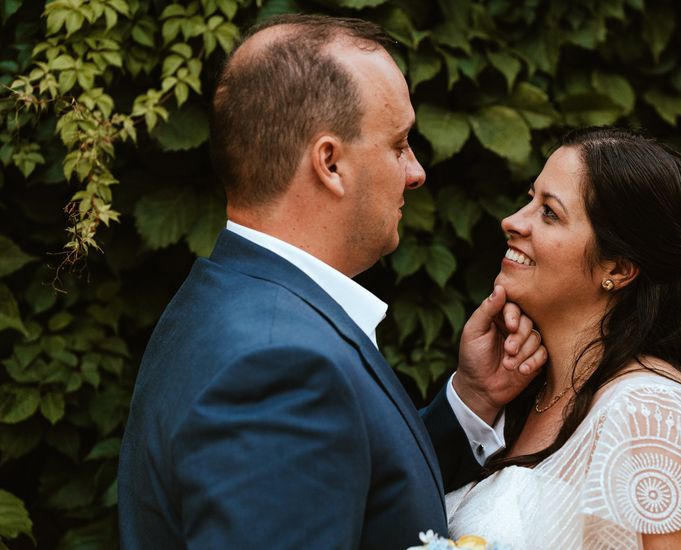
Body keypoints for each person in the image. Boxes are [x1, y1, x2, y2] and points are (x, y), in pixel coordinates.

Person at [117, 15, 546, 549]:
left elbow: (341, 486)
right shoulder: (278, 364)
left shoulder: (225, 298)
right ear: (330, 163)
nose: (416, 171)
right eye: (398, 144)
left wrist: (472, 399)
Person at [446, 127, 681, 549]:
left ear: (618, 269)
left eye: (549, 212)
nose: (512, 221)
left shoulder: (656, 417)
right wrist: (474, 394)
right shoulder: (519, 396)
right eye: (529, 198)